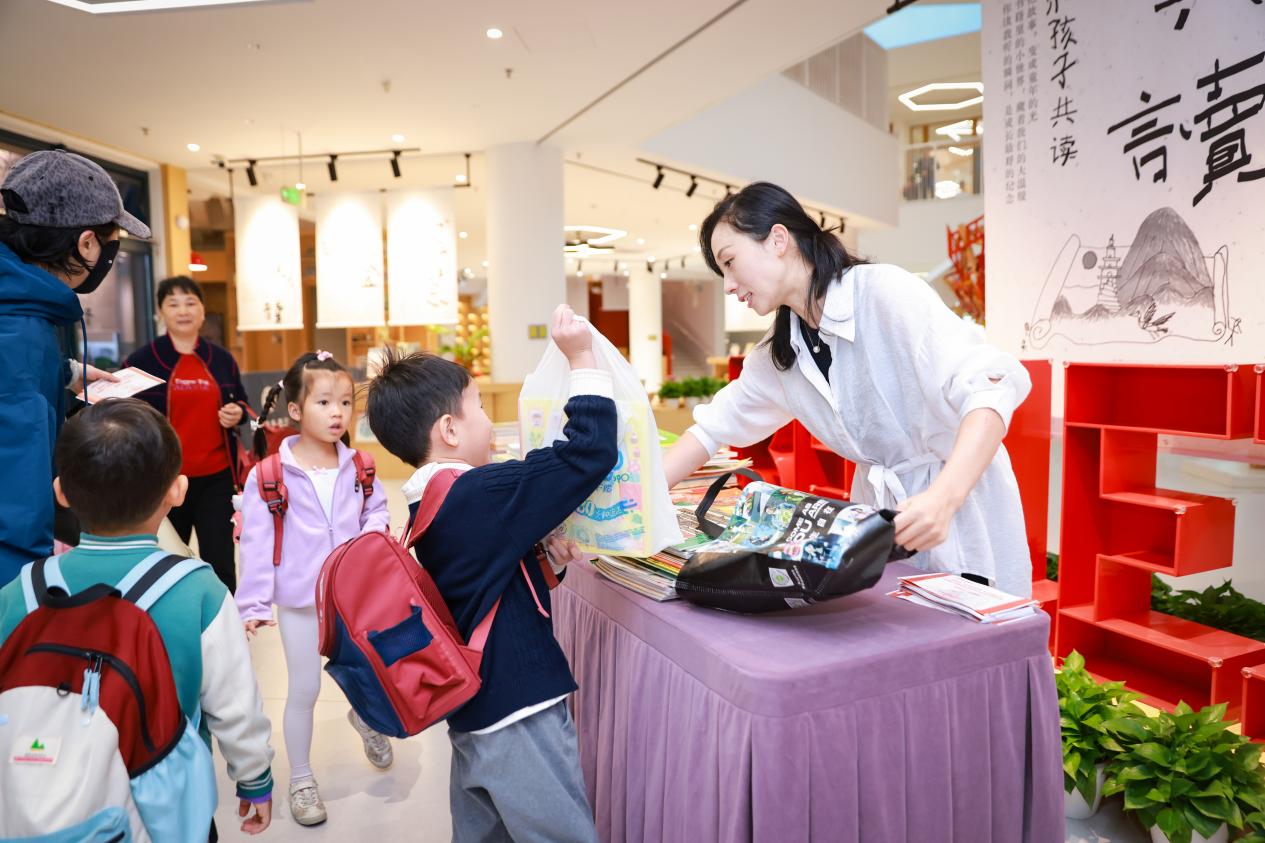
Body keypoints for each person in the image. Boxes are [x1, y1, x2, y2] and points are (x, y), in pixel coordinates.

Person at [662, 183, 1034, 596]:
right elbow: (710, 428)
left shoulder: (883, 292)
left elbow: (989, 386)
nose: (729, 285)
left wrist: (945, 498)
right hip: (882, 519)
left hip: (961, 507)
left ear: (778, 239)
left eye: (730, 263)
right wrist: (639, 503)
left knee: (972, 627)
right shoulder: (780, 352)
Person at [365, 304, 613, 843]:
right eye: (478, 407)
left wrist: (547, 563)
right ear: (449, 429)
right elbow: (589, 453)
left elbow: (479, 583)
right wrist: (582, 357)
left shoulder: (429, 501)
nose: (488, 421)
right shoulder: (480, 492)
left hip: (476, 714)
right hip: (519, 710)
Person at [0, 398, 275, 837]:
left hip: (35, 808)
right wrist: (254, 778)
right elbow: (235, 705)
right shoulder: (198, 591)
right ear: (177, 491)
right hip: (159, 811)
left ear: (61, 492)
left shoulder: (21, 590)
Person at [234, 351, 392, 827]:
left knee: (370, 674)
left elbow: (377, 512)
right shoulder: (269, 475)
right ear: (296, 410)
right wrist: (253, 603)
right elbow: (257, 542)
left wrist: (371, 538)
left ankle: (364, 716)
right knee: (304, 688)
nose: (338, 413)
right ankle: (301, 779)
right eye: (324, 402)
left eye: (345, 402)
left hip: (352, 597)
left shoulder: (360, 465)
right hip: (301, 601)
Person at [0, 149, 146, 586]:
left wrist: (64, 373)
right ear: (85, 244)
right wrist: (27, 602)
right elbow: (16, 506)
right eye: (111, 240)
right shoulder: (21, 333)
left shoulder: (24, 305)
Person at [126, 275, 252, 592]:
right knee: (166, 562)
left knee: (221, 562)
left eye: (190, 302)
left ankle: (223, 618)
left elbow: (242, 404)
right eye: (173, 304)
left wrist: (236, 413)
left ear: (202, 310)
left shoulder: (221, 359)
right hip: (163, 480)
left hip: (217, 479)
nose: (183, 311)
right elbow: (124, 416)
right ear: (160, 312)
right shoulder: (141, 361)